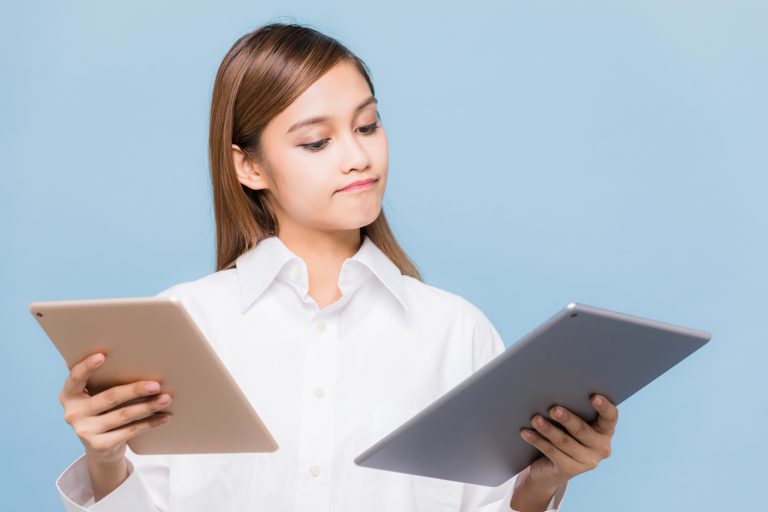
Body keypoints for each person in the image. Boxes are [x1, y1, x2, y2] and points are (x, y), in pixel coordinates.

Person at [54, 22, 618, 512]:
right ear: (249, 167)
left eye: (367, 126)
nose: (358, 157)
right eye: (317, 141)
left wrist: (539, 486)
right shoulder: (185, 322)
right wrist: (105, 461)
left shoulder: (456, 332)